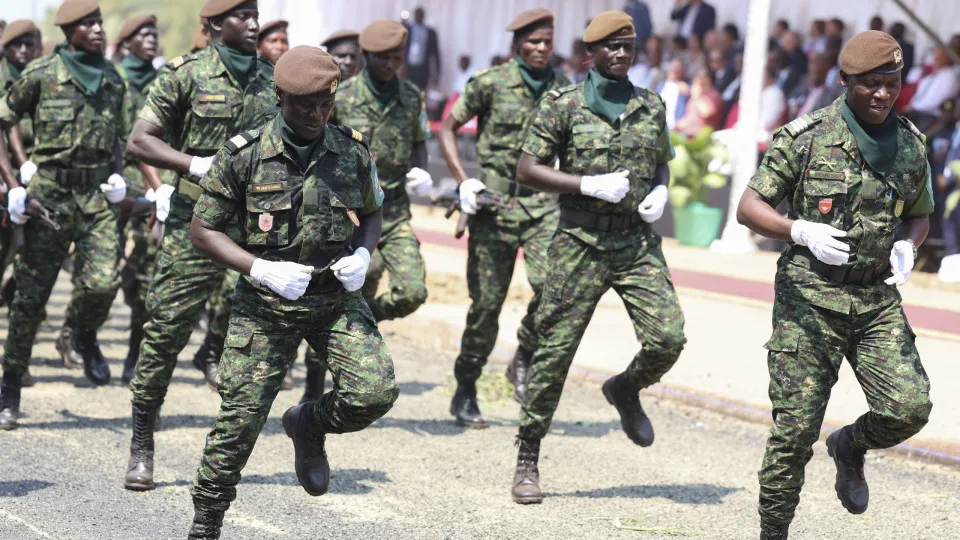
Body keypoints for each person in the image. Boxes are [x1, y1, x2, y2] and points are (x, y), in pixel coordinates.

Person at [185, 45, 398, 539]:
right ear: (279, 97)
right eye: (305, 105)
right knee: (240, 421)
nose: (317, 115)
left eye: (326, 103)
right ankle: (206, 523)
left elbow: (371, 212)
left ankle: (309, 424)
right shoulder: (244, 154)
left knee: (374, 393)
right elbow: (203, 230)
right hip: (267, 302)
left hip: (332, 296)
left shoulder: (350, 150)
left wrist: (363, 256)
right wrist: (259, 267)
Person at [736, 31, 934, 540]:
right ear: (845, 81)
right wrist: (797, 229)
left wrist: (909, 245)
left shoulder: (911, 142)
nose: (882, 95)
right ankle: (773, 531)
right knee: (795, 430)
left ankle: (850, 445)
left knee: (908, 409)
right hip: (811, 295)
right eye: (871, 84)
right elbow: (749, 207)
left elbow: (919, 213)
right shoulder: (806, 137)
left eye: (891, 83)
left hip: (874, 299)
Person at [510, 11, 686, 504]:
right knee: (554, 353)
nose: (621, 55)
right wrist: (584, 183)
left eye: (628, 46)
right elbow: (527, 169)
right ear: (591, 52)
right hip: (580, 240)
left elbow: (661, 166)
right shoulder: (563, 103)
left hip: (634, 242)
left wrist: (661, 193)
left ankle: (625, 389)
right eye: (611, 47)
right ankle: (528, 456)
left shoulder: (650, 105)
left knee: (668, 337)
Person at [122, 0, 275, 492]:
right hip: (196, 218)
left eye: (256, 14)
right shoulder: (184, 75)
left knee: (258, 323)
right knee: (166, 328)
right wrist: (192, 164)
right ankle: (143, 439)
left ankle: (227, 450)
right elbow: (139, 141)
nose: (253, 23)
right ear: (212, 26)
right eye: (242, 15)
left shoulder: (273, 79)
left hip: (255, 223)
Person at [0, 0, 130, 429]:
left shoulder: (113, 78)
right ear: (69, 30)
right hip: (49, 196)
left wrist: (116, 176)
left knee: (104, 282)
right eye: (88, 24)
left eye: (99, 23)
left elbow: (119, 136)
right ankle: (11, 385)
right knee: (30, 298)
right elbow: (3, 121)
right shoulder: (41, 74)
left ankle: (79, 332)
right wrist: (16, 184)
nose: (97, 30)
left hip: (95, 196)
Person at [437, 8, 569, 427]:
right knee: (487, 305)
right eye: (533, 42)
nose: (541, 49)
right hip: (493, 206)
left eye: (547, 42)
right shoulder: (490, 83)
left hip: (542, 206)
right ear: (517, 45)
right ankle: (466, 387)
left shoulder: (563, 88)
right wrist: (463, 182)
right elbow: (447, 127)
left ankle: (523, 356)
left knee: (554, 290)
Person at [113, 14, 165, 383]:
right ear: (127, 41)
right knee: (108, 276)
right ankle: (79, 329)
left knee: (146, 276)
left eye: (154, 34)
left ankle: (135, 352)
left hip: (158, 180)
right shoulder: (116, 80)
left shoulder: (166, 81)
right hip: (121, 180)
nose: (151, 39)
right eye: (142, 34)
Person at [0, 19, 41, 387]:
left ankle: (16, 358)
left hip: (34, 185)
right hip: (6, 184)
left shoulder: (43, 79)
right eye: (19, 45)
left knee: (29, 269)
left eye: (32, 44)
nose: (26, 51)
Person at [675, 69, 722, 136]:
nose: (695, 80)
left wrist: (697, 97)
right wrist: (677, 124)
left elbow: (706, 113)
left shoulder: (714, 95)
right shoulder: (695, 95)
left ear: (707, 79)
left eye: (699, 77)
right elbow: (689, 117)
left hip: (701, 136)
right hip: (686, 133)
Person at [404, 6, 440, 90]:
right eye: (417, 14)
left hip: (423, 68)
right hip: (409, 67)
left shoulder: (431, 32)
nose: (419, 16)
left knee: (421, 92)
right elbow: (401, 49)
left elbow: (436, 53)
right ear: (414, 15)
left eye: (421, 15)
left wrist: (437, 73)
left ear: (424, 16)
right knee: (407, 91)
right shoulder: (407, 30)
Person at [797, 52, 842, 117]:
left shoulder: (829, 98)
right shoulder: (807, 91)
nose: (811, 67)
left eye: (815, 63)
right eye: (810, 62)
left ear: (825, 69)